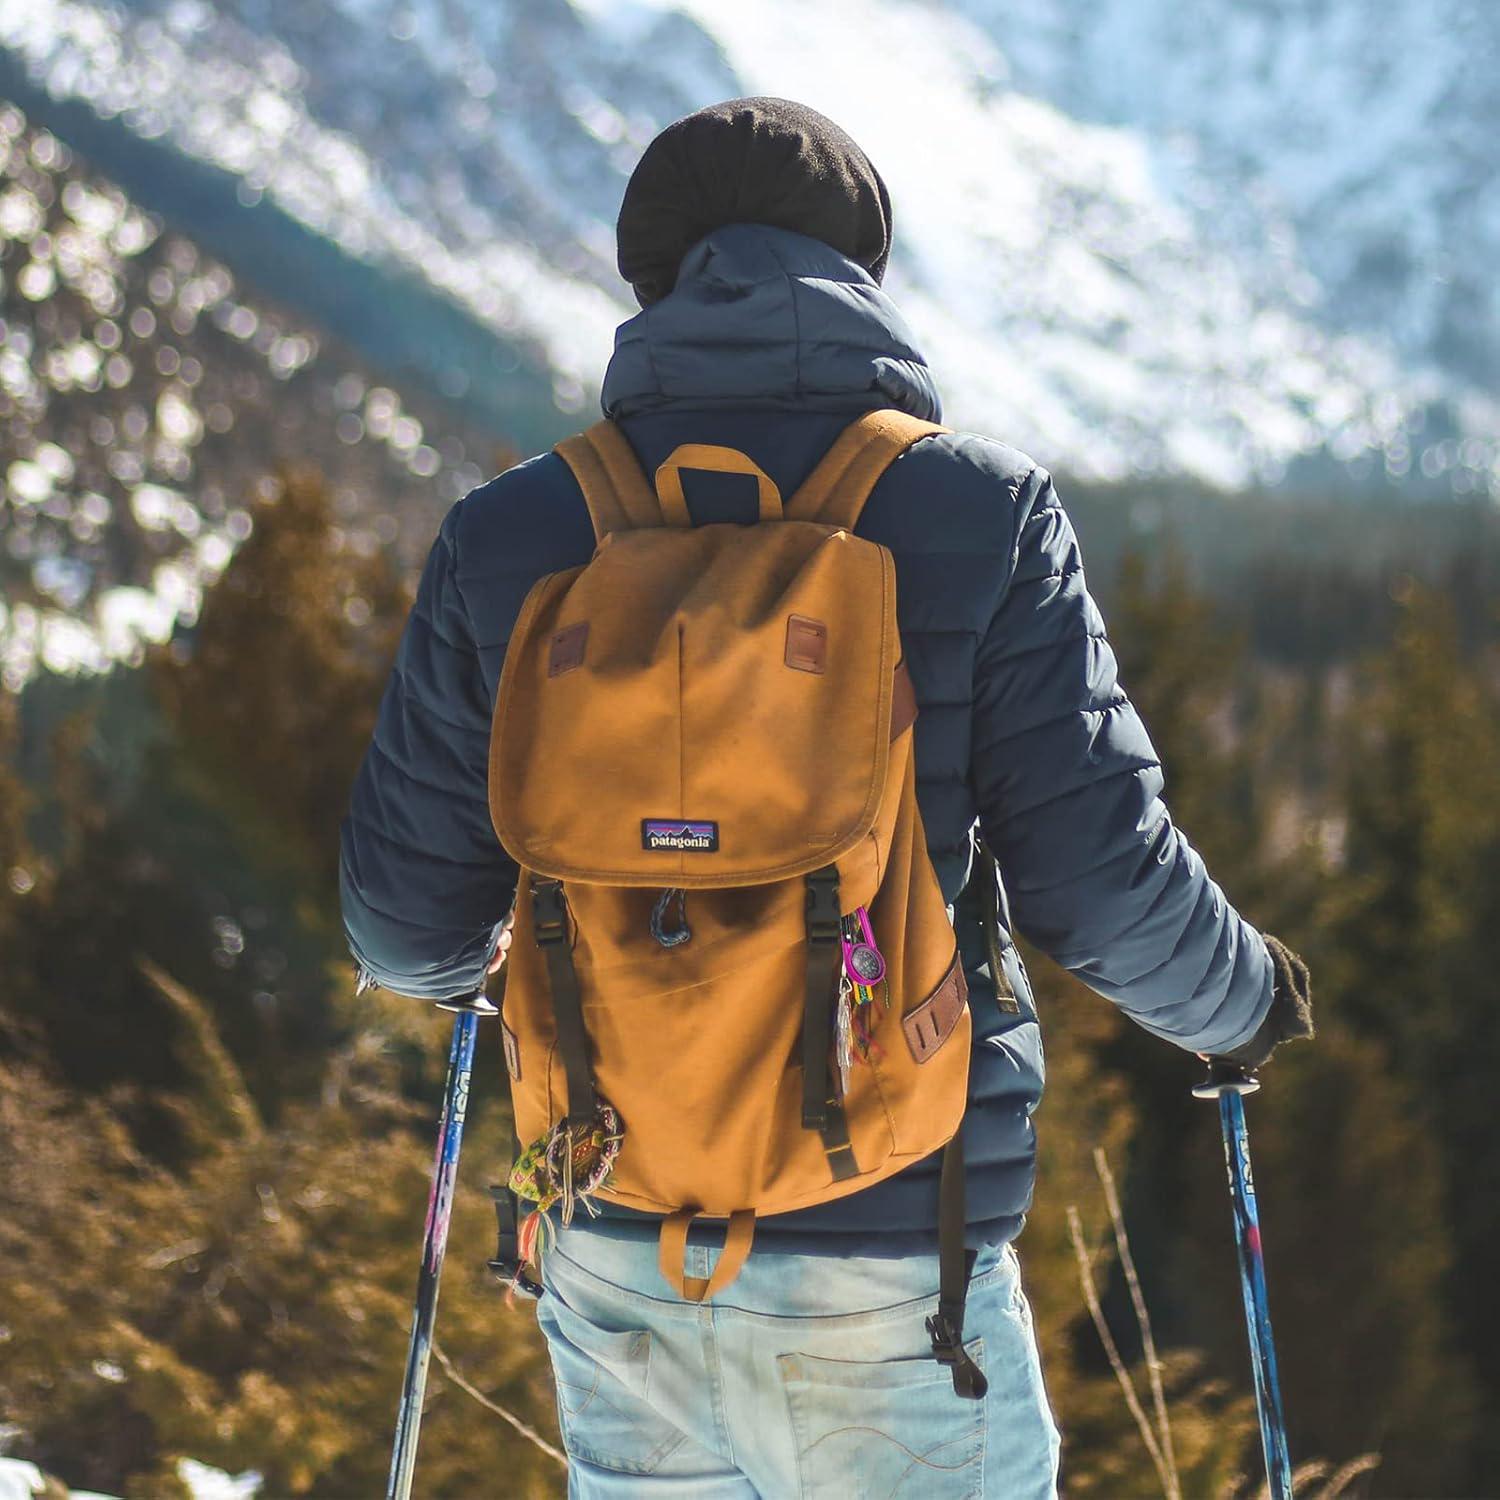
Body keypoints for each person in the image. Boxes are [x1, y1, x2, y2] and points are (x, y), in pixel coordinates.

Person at [340, 97, 1313, 1499]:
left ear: (651, 277)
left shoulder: (515, 536)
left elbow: (401, 927)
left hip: (619, 1241)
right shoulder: (978, 514)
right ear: (860, 271)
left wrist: (496, 959)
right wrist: (1241, 1007)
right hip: (895, 1254)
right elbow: (1100, 881)